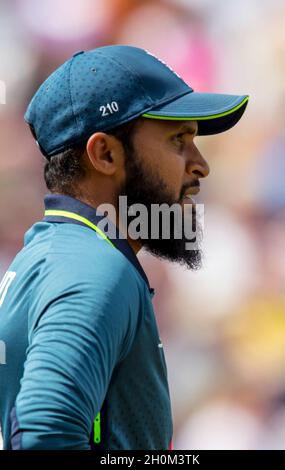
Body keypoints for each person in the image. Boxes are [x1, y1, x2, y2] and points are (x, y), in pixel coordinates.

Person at [0, 45, 248, 450]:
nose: (200, 164)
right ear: (105, 154)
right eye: (178, 140)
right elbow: (46, 431)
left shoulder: (54, 253)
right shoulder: (95, 269)